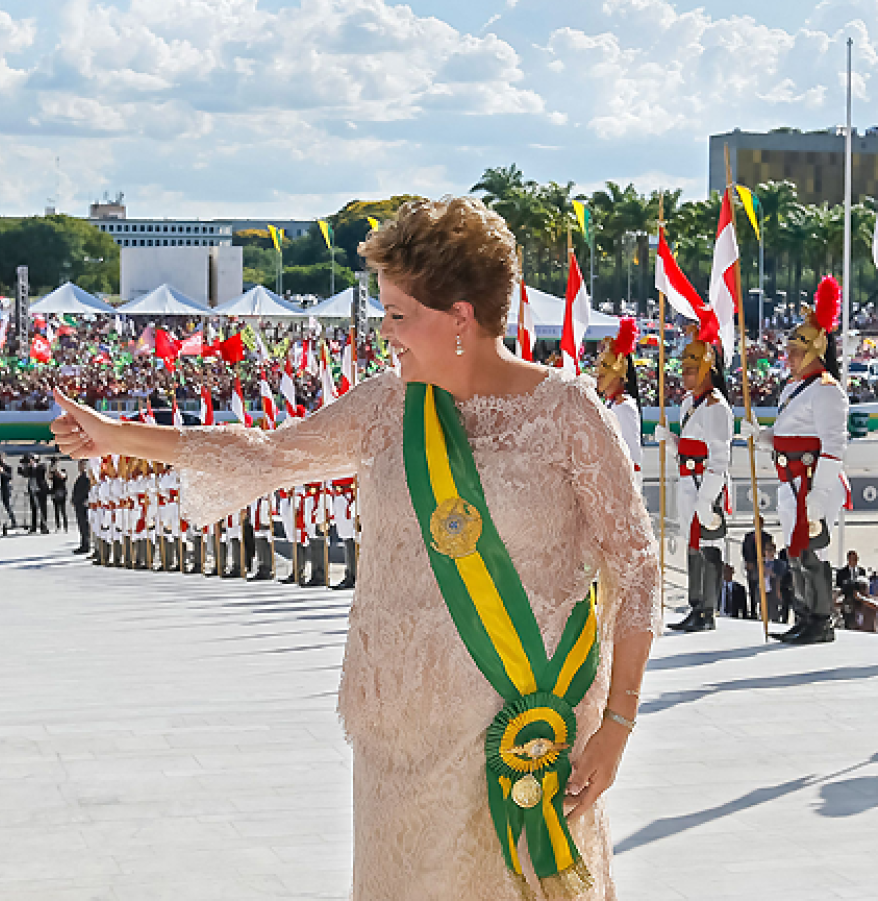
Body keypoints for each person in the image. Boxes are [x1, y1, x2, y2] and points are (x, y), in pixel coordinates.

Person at [51, 196, 658, 900]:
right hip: (404, 741)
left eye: (400, 316)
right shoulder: (384, 406)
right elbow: (270, 454)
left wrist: (617, 725)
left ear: (461, 317)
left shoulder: (569, 413)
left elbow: (638, 567)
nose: (387, 335)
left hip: (529, 729)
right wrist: (120, 436)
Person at [744, 276, 849, 645]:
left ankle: (821, 620)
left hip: (812, 479)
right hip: (790, 478)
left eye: (794, 351)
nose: (786, 357)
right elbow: (789, 434)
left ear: (815, 351)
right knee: (795, 550)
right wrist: (763, 437)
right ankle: (805, 615)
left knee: (812, 551)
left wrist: (819, 495)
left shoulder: (826, 390)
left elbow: (834, 445)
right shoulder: (793, 388)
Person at [654, 321, 730, 634]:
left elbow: (719, 458)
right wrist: (671, 442)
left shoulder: (716, 407)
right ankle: (695, 605)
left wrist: (707, 498)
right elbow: (687, 450)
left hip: (704, 484)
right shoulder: (689, 404)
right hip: (686, 480)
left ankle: (708, 609)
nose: (684, 375)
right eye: (683, 369)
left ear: (706, 369)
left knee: (708, 545)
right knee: (692, 545)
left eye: (690, 369)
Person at [594, 317, 642, 478]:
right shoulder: (609, 403)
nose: (598, 377)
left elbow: (633, 456)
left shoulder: (624, 406)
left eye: (604, 372)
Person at [70, 459, 91, 554]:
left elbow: (86, 491)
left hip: (83, 504)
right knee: (81, 525)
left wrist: (81, 500)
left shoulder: (86, 478)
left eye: (82, 465)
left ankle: (86, 545)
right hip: (78, 504)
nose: (80, 467)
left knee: (84, 525)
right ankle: (83, 543)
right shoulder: (80, 477)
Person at [48, 461, 69, 531]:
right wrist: (50, 469)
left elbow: (63, 476)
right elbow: (49, 477)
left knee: (63, 510)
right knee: (56, 511)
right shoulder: (53, 472)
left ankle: (65, 526)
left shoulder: (63, 471)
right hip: (55, 492)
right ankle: (58, 526)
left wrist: (57, 469)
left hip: (62, 492)